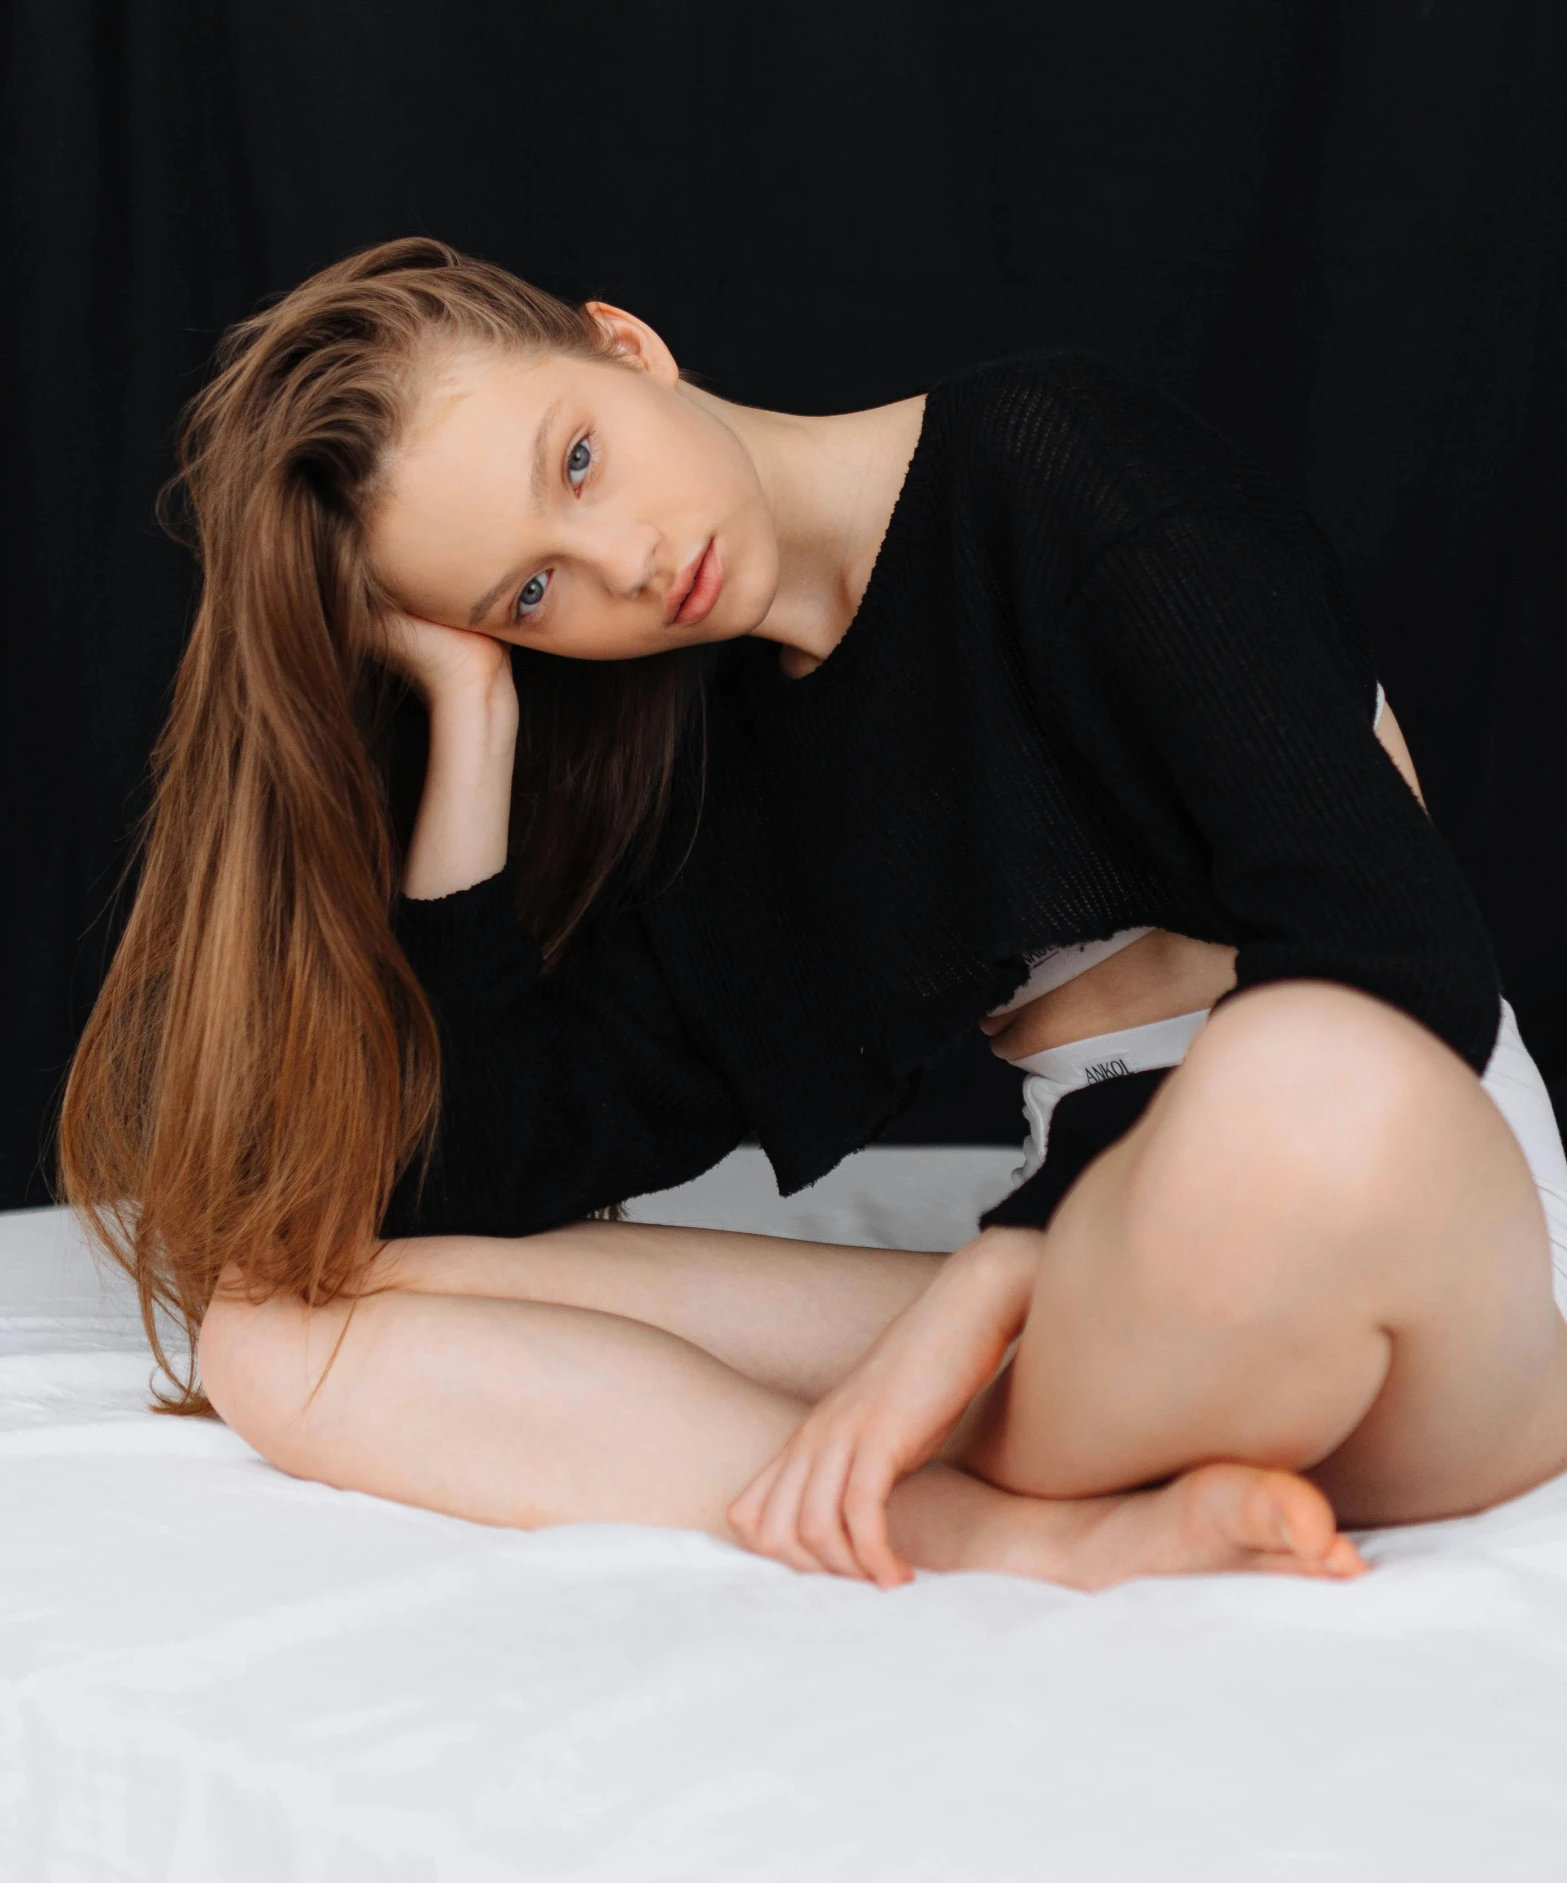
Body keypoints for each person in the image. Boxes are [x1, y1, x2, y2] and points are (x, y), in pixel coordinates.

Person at [58, 238, 1567, 1595]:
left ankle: (1022, 1421)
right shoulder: (717, 775)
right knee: (277, 1329)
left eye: (576, 460)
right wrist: (473, 729)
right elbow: (476, 1190)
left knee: (1297, 1062)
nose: (625, 564)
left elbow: (1397, 960)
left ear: (621, 342)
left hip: (1420, 1266)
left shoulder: (1059, 465)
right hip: (1106, 1323)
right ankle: (1008, 1537)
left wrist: (988, 1275)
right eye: (529, 592)